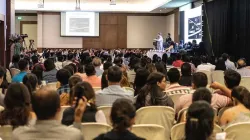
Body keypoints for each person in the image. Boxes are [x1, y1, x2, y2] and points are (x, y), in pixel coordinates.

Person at [12, 86, 85, 140]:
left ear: (32, 109)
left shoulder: (18, 135)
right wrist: (77, 120)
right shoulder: (74, 135)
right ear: (59, 109)